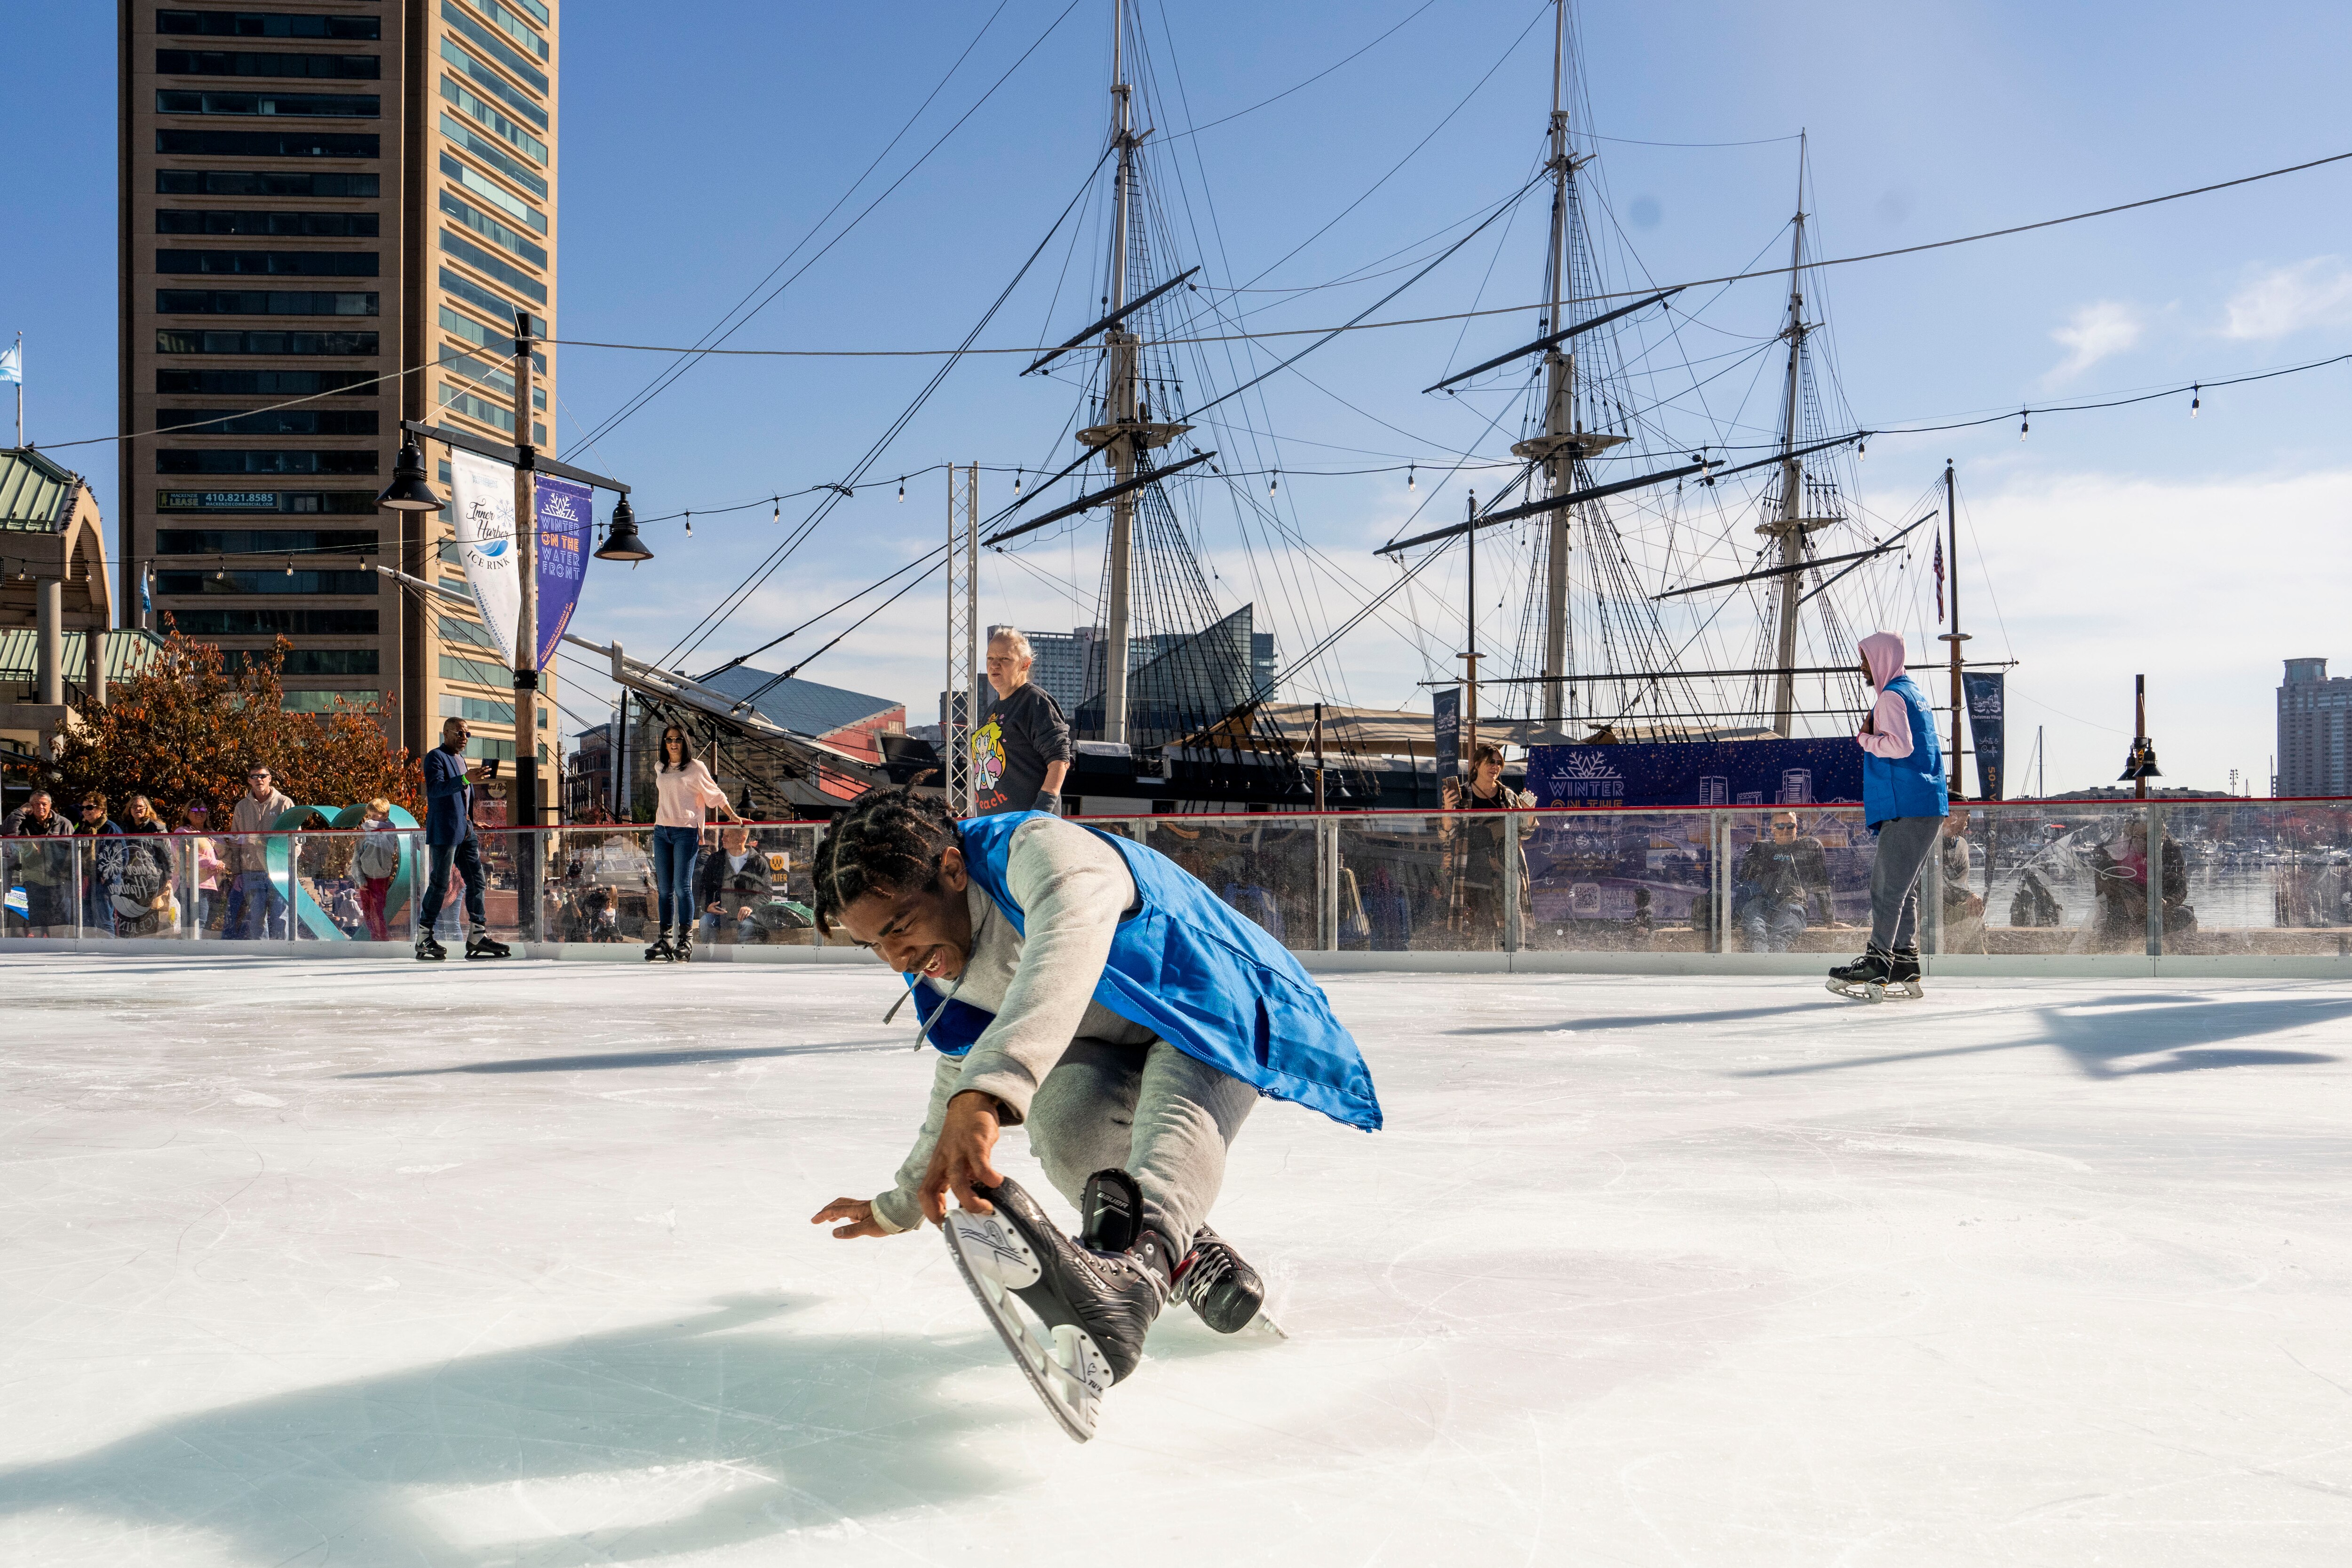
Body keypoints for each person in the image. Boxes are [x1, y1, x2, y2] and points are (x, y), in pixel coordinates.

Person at [806, 788, 1381, 1436]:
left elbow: (1063, 955)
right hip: (1106, 1039)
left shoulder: (1045, 854)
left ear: (950, 868)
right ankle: (1178, 1253)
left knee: (1174, 1109)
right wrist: (902, 1201)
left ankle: (1133, 1285)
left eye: (899, 930)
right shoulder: (938, 958)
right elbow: (960, 1066)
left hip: (1212, 1004)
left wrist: (987, 1093)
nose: (897, 959)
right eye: (873, 946)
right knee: (1060, 1120)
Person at [1828, 631, 1948, 999]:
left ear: (1880, 659)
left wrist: (1865, 740)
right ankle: (1905, 959)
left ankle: (1878, 961)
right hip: (1926, 803)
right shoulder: (1915, 695)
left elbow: (1901, 746)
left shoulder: (1891, 697)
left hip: (1908, 804)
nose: (1861, 666)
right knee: (1904, 887)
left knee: (1886, 887)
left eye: (1865, 658)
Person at [418, 717, 509, 961]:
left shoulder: (460, 759)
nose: (464, 738)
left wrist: (470, 819)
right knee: (440, 883)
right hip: (445, 831)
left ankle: (477, 935)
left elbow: (462, 794)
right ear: (446, 733)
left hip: (466, 830)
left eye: (467, 734)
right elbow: (436, 790)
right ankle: (424, 937)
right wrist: (467, 779)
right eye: (460, 733)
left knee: (478, 882)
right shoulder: (435, 757)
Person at [648, 723, 736, 962]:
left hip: (685, 832)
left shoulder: (696, 768)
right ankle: (665, 940)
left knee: (682, 887)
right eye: (669, 740)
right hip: (661, 831)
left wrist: (732, 815)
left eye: (677, 739)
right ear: (664, 743)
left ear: (684, 742)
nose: (673, 744)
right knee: (664, 890)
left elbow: (714, 794)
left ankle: (686, 940)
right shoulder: (661, 768)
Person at [1440, 742, 1535, 945]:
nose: (1495, 767)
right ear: (1476, 765)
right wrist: (1448, 808)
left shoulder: (1508, 796)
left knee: (1512, 906)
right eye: (1490, 762)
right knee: (1484, 915)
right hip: (1474, 864)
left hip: (1507, 861)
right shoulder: (1463, 795)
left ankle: (1517, 953)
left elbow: (1526, 833)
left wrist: (1528, 811)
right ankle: (1488, 961)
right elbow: (1447, 833)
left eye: (1499, 763)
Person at [970, 629, 1073, 817]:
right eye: (990, 658)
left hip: (1030, 831)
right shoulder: (992, 710)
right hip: (996, 827)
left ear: (1025, 664)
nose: (994, 665)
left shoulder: (1034, 701)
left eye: (1004, 659)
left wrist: (1040, 814)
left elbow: (1060, 761)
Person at [1735, 812, 1833, 952]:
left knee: (1780, 938)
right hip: (1761, 902)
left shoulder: (1811, 847)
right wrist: (1733, 918)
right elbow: (1744, 885)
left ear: (1797, 827)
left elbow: (1821, 885)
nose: (1785, 831)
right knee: (1756, 932)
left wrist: (1830, 920)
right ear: (1772, 828)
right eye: (1780, 826)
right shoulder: (1759, 849)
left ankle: (1769, 968)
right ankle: (1764, 966)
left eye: (1790, 826)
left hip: (1793, 904)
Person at [2091, 815, 2193, 948]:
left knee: (2185, 915)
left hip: (2158, 911)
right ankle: (2113, 951)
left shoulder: (2172, 853)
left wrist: (2166, 903)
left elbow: (2181, 888)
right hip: (2125, 911)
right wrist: (2131, 902)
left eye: (2146, 837)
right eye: (2134, 837)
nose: (2140, 842)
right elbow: (2103, 889)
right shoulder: (2114, 853)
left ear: (2161, 835)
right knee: (2115, 913)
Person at [227, 764, 294, 940]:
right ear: (249, 781)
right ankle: (260, 954)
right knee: (256, 918)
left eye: (263, 776)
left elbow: (295, 840)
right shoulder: (242, 807)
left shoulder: (284, 803)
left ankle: (283, 953)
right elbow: (236, 842)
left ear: (270, 778)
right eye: (254, 776)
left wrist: (288, 864)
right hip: (251, 871)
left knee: (281, 917)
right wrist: (237, 872)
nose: (259, 779)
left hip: (278, 871)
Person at [4, 788, 75, 938]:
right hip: (33, 878)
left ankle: (60, 948)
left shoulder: (63, 824)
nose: (40, 807)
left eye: (44, 804)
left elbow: (73, 852)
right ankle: (39, 948)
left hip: (59, 880)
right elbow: (7, 831)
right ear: (30, 805)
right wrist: (21, 810)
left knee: (59, 918)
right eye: (36, 804)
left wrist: (68, 874)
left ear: (50, 805)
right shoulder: (24, 823)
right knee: (36, 916)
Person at [695, 823, 773, 946]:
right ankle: (709, 958)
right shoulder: (715, 859)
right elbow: (706, 887)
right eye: (723, 835)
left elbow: (766, 893)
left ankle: (743, 959)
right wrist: (708, 906)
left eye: (728, 836)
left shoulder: (759, 861)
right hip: (721, 914)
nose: (723, 839)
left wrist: (750, 907)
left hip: (750, 915)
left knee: (747, 926)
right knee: (705, 922)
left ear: (742, 839)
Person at [114, 796, 176, 939]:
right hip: (127, 881)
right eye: (134, 806)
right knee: (126, 918)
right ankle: (126, 949)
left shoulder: (156, 827)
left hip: (150, 881)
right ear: (129, 809)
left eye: (141, 806)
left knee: (148, 919)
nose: (137, 809)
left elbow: (167, 855)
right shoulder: (123, 827)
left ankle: (148, 948)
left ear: (148, 808)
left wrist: (168, 879)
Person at [74, 793, 127, 936]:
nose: (85, 811)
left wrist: (107, 876)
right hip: (86, 881)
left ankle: (108, 950)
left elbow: (122, 857)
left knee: (104, 920)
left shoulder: (111, 829)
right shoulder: (81, 829)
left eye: (90, 807)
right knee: (86, 920)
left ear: (102, 810)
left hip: (104, 883)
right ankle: (89, 951)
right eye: (83, 807)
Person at [352, 797, 402, 942]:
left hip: (380, 876)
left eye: (375, 816)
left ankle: (383, 938)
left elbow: (388, 847)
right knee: (368, 911)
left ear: (385, 816)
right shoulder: (364, 834)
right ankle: (375, 937)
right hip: (366, 876)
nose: (370, 820)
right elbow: (356, 859)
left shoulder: (388, 831)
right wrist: (360, 879)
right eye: (369, 816)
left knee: (377, 910)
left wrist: (372, 829)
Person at [1938, 814, 1988, 954]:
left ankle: (1977, 956)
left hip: (1953, 902)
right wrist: (1967, 895)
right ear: (1951, 817)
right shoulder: (1931, 843)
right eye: (1965, 812)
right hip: (1931, 906)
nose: (1969, 816)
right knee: (1970, 912)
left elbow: (1962, 881)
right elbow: (1934, 878)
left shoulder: (1962, 844)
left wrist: (1970, 899)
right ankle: (1978, 957)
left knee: (1973, 909)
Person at [179, 804, 224, 936]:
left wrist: (222, 865)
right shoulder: (183, 832)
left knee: (208, 923)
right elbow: (184, 855)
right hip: (192, 885)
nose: (199, 812)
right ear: (187, 813)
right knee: (197, 923)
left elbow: (227, 852)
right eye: (194, 809)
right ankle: (191, 952)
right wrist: (213, 863)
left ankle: (202, 951)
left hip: (215, 885)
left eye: (203, 809)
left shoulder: (212, 834)